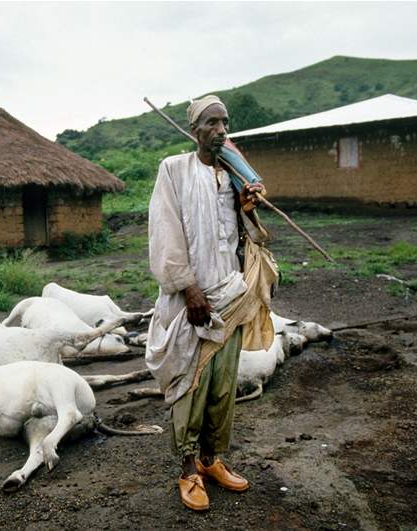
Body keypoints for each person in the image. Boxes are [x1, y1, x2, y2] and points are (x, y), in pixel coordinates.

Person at [145, 95, 277, 512]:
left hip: (231, 293)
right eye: (212, 123)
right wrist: (188, 288)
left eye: (225, 123)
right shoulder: (175, 170)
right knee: (191, 385)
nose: (221, 130)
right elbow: (165, 232)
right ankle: (187, 470)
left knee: (222, 386)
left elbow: (251, 237)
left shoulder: (234, 176)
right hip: (193, 300)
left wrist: (248, 207)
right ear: (195, 130)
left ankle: (210, 460)